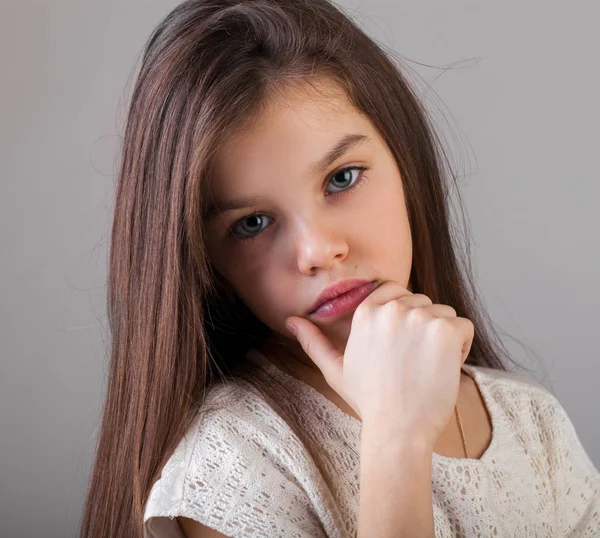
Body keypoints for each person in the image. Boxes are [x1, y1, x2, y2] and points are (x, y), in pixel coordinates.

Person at [80, 0, 600, 537]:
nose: (318, 250)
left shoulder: (530, 422)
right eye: (254, 222)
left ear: (405, 161)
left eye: (343, 178)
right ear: (208, 264)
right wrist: (396, 438)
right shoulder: (231, 468)